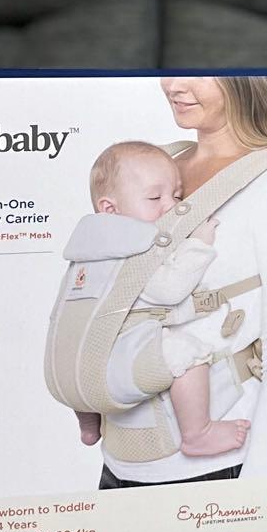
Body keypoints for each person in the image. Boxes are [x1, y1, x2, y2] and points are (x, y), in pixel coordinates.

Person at [99, 76, 267, 488]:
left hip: (210, 467)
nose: (174, 85)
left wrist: (259, 483)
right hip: (120, 456)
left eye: (199, 73)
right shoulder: (152, 163)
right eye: (170, 69)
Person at [70, 140, 251, 457]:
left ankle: (89, 425)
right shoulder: (130, 250)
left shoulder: (85, 250)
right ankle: (197, 433)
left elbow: (135, 307)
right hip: (116, 362)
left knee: (77, 359)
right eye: (155, 197)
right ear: (110, 209)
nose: (170, 206)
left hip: (71, 372)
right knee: (189, 352)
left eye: (177, 196)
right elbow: (169, 291)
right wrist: (198, 245)